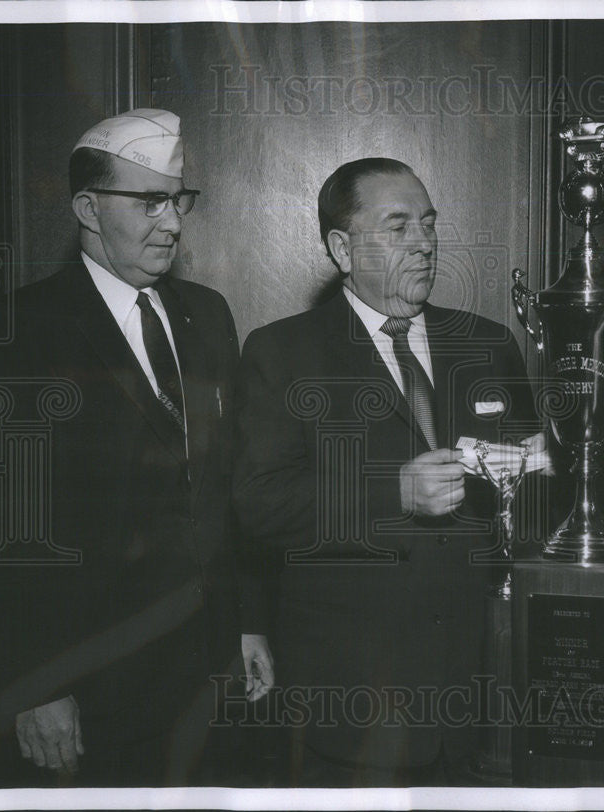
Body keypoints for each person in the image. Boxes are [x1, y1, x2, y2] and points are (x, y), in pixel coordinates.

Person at [0, 109, 273, 786]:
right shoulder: (20, 330)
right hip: (94, 688)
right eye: (148, 202)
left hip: (212, 676)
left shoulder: (209, 314)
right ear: (87, 207)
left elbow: (227, 490)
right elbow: (5, 529)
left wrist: (248, 622)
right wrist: (33, 686)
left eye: (178, 200)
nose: (172, 223)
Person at [233, 158, 539, 786]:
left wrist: (545, 462)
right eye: (398, 227)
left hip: (484, 692)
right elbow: (261, 507)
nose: (424, 243)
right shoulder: (282, 352)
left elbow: (533, 494)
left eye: (428, 225)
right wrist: (394, 491)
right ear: (342, 248)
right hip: (355, 700)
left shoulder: (489, 343)